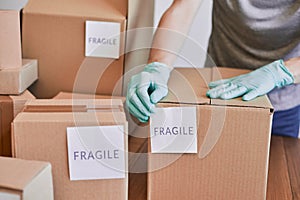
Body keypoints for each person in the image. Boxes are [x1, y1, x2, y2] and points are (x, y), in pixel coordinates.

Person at [126, 0, 300, 137]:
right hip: (217, 91)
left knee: (277, 173)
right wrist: (157, 66)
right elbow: (183, 8)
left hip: (281, 98)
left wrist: (278, 74)